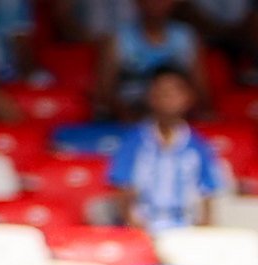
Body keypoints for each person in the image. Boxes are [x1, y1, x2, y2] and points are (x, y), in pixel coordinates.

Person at [109, 66, 224, 231]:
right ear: (151, 97)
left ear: (188, 98)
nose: (168, 97)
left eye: (175, 92)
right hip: (143, 227)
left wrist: (202, 230)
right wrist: (134, 225)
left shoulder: (199, 146)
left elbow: (207, 194)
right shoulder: (133, 142)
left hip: (185, 228)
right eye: (162, 92)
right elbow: (123, 190)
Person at [96, 0, 207, 121]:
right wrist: (129, 118)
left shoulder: (185, 36)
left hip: (174, 112)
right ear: (138, 3)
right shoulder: (118, 38)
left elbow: (199, 88)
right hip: (127, 116)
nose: (156, 4)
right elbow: (104, 90)